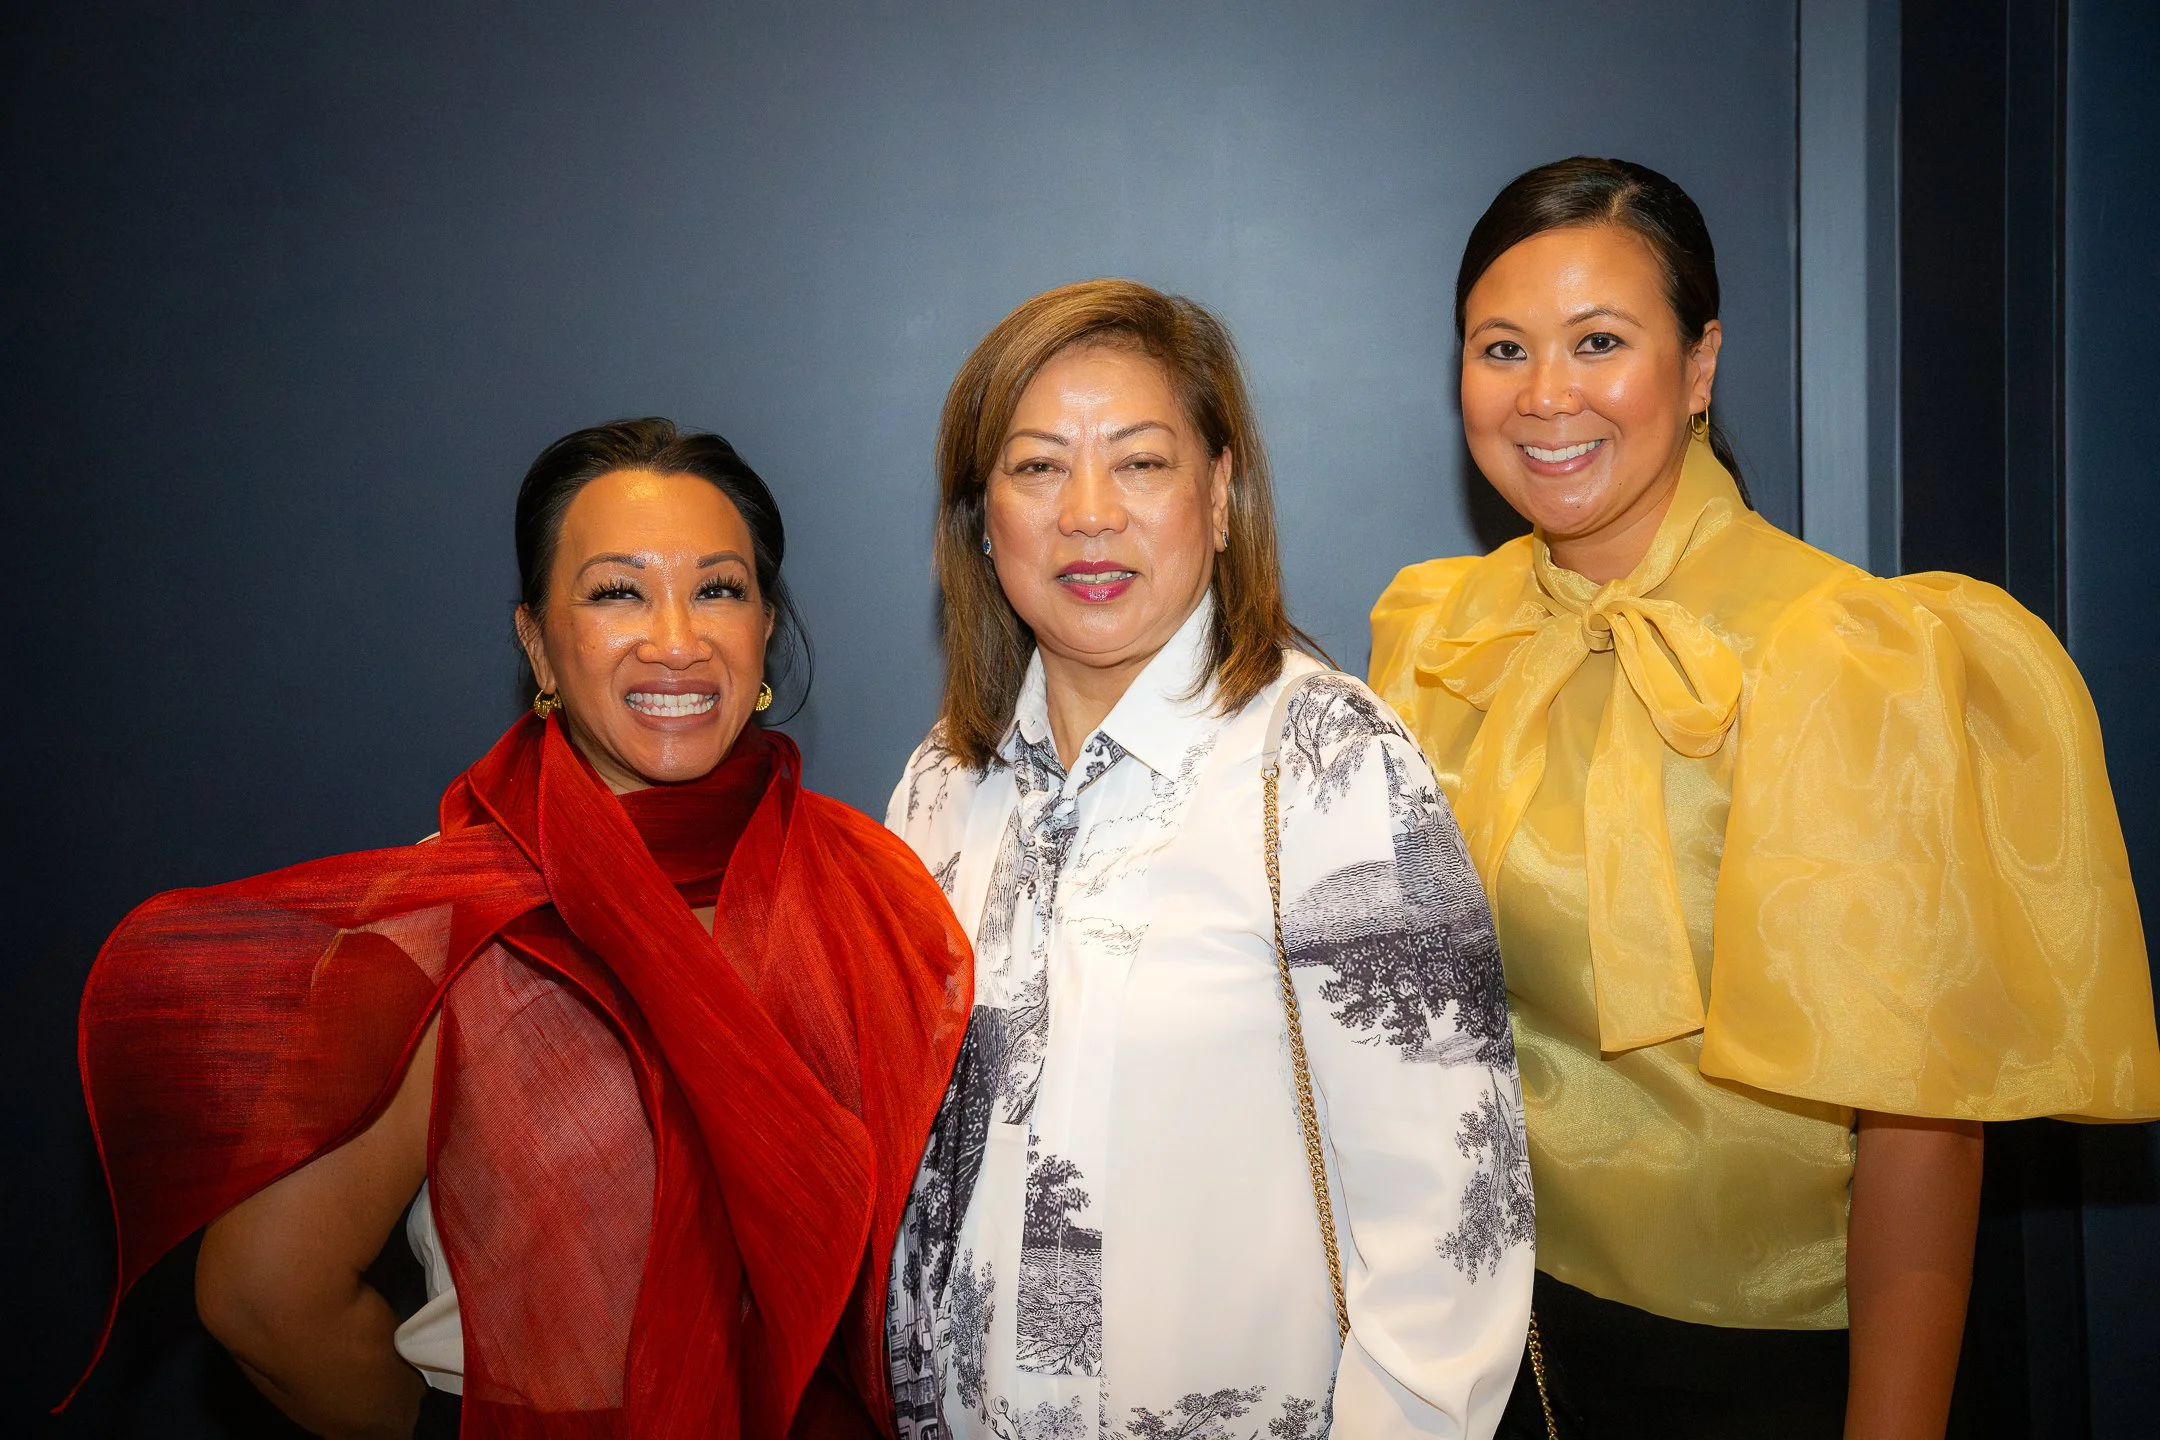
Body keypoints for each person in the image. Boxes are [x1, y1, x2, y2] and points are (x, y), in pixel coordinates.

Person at [1369, 156, 2160, 1439]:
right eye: (1502, 347)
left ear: (1699, 367)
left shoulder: (1843, 651)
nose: (1547, 394)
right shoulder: (1436, 635)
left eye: (1601, 341)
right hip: (1476, 1332)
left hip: (1753, 1365)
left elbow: (1920, 1126)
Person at [71, 419, 973, 1439]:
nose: (675, 638)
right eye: (616, 591)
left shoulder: (869, 886)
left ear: (765, 628)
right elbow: (263, 1298)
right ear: (539, 643)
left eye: (718, 589)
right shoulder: (452, 916)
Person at [885, 279, 1532, 1440]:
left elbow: (1450, 1229)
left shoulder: (1330, 767)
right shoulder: (943, 783)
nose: (1089, 514)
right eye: (1036, 468)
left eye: (1140, 463)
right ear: (981, 518)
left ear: (1221, 494)